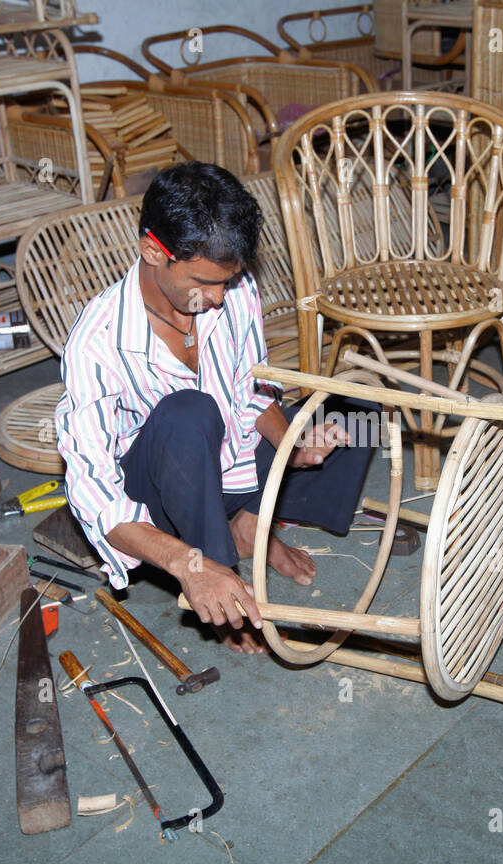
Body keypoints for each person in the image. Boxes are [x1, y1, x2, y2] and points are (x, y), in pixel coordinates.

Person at [55, 162, 373, 653]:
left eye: (230, 280)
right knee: (188, 413)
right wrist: (193, 567)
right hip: (161, 506)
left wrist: (293, 441)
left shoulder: (232, 290)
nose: (221, 297)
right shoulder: (97, 343)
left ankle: (250, 525)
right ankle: (221, 571)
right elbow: (94, 494)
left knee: (353, 405)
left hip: (226, 470)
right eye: (204, 282)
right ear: (152, 251)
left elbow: (249, 387)